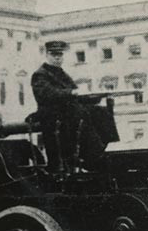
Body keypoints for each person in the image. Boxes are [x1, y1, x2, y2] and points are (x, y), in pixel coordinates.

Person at [30, 40, 111, 171]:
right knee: (80, 114)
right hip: (51, 113)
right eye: (54, 54)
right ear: (47, 55)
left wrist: (94, 97)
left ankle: (102, 148)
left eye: (60, 55)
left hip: (66, 110)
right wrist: (71, 92)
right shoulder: (40, 74)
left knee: (100, 111)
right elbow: (47, 94)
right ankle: (89, 154)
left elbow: (76, 93)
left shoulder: (62, 73)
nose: (57, 57)